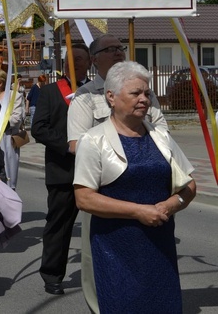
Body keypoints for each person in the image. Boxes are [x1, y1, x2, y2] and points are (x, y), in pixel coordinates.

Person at [74, 62, 196, 313]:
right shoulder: (93, 140)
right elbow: (84, 199)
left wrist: (172, 204)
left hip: (159, 245)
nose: (144, 99)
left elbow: (190, 186)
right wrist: (137, 211)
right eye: (135, 93)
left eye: (147, 93)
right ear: (111, 96)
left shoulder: (161, 136)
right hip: (115, 248)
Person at [68, 34, 168, 313]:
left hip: (147, 185)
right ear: (94, 59)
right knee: (101, 262)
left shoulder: (147, 96)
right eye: (109, 49)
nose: (118, 52)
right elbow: (77, 143)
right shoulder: (86, 97)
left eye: (120, 48)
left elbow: (162, 133)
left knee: (150, 264)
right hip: (105, 189)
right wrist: (116, 152)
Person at [32, 44, 91, 296]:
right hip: (62, 170)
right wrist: (68, 145)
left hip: (96, 171)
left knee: (100, 225)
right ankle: (52, 275)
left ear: (89, 62)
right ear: (63, 64)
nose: (75, 63)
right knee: (59, 225)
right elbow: (39, 128)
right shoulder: (49, 92)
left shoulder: (98, 91)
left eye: (80, 59)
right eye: (70, 59)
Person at [0, 69, 25, 189]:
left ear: (0, 83)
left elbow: (16, 118)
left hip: (6, 138)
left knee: (8, 174)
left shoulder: (14, 96)